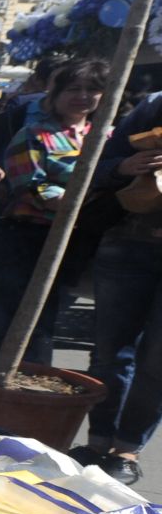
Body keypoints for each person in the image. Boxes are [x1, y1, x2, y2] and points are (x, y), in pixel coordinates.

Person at [0, 58, 110, 367]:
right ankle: (8, 381)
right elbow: (30, 185)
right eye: (74, 88)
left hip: (78, 240)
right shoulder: (35, 134)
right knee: (22, 315)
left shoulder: (106, 137)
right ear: (56, 93)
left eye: (92, 89)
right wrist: (80, 200)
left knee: (49, 313)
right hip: (30, 236)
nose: (82, 95)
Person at [77, 89, 162, 484]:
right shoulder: (153, 105)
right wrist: (124, 165)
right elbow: (96, 163)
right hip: (130, 241)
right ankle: (97, 442)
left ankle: (126, 449)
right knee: (109, 352)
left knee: (157, 360)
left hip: (131, 249)